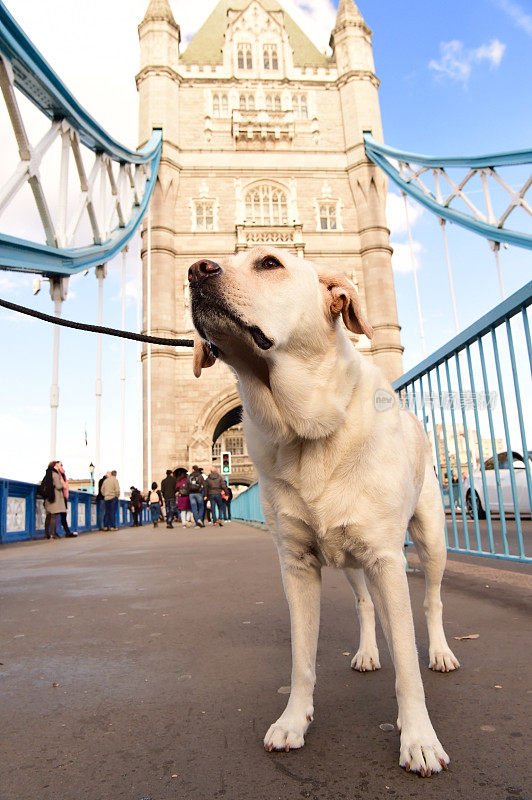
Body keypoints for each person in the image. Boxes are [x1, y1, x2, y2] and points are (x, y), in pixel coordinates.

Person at [42, 460, 67, 539]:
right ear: (54, 466)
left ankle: (46, 534)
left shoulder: (47, 474)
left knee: (48, 516)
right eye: (57, 465)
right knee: (53, 516)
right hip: (54, 497)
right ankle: (53, 533)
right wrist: (62, 484)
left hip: (48, 497)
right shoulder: (55, 474)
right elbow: (58, 486)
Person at [55, 461, 77, 537]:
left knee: (63, 515)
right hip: (59, 497)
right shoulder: (57, 474)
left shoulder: (62, 474)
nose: (62, 466)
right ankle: (64, 532)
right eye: (61, 465)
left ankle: (66, 532)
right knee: (60, 515)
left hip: (64, 496)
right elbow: (62, 485)